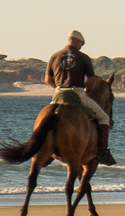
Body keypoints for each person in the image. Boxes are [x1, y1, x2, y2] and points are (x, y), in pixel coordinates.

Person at [45, 30, 115, 165]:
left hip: (58, 94)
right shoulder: (83, 57)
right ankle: (102, 153)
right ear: (77, 42)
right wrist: (86, 90)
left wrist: (59, 89)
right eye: (81, 44)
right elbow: (91, 81)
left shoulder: (54, 56)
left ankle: (45, 150)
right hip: (77, 94)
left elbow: (48, 79)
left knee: (47, 117)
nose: (81, 46)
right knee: (104, 118)